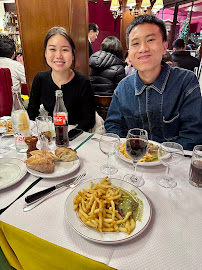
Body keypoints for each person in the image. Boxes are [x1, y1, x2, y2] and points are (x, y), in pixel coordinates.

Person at [105, 14, 202, 150]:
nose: (143, 48)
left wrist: (159, 158)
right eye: (135, 43)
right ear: (129, 53)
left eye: (150, 40)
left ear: (164, 47)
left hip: (172, 165)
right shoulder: (123, 88)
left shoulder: (186, 82)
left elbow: (193, 135)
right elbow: (113, 127)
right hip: (133, 161)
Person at [28, 26, 95, 132]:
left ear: (72, 55)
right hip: (51, 133)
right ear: (45, 53)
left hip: (77, 136)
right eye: (52, 49)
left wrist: (65, 137)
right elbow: (32, 113)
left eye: (64, 50)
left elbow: (89, 120)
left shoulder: (82, 81)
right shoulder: (40, 79)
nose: (58, 55)